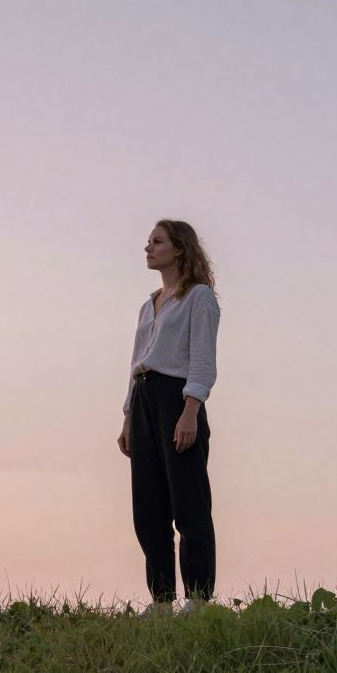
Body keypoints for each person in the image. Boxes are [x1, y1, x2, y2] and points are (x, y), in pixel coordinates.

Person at [117, 220, 221, 615]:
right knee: (148, 505)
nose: (148, 247)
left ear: (178, 249)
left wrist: (190, 410)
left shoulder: (199, 298)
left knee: (189, 502)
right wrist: (128, 417)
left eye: (157, 241)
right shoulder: (149, 305)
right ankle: (161, 601)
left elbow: (203, 359)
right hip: (143, 400)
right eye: (148, 241)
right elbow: (135, 363)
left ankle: (199, 599)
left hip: (177, 400)